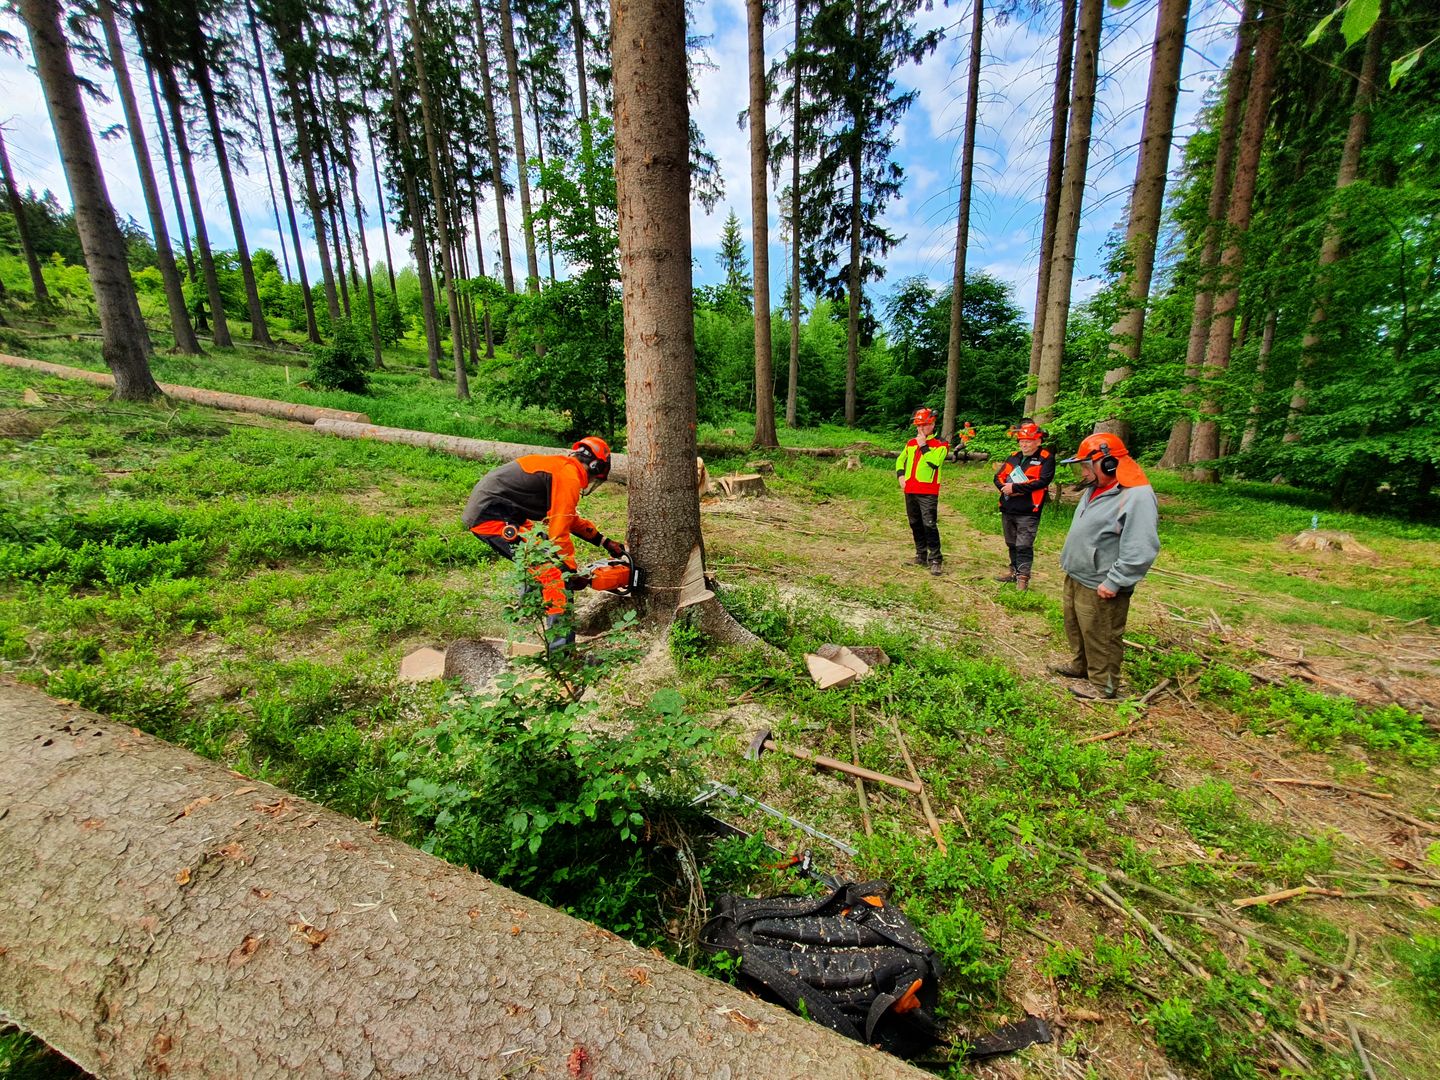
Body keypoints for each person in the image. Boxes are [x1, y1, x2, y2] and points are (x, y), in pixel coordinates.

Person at [461, 437, 627, 627]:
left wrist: (603, 541)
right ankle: (561, 651)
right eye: (594, 479)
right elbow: (559, 531)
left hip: (505, 512)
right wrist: (569, 573)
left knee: (539, 548)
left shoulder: (563, 469)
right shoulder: (569, 476)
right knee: (555, 575)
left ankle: (530, 612)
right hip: (490, 516)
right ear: (594, 467)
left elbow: (568, 517)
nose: (590, 483)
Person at [1055, 433, 1160, 699]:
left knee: (1102, 634)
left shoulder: (1136, 496)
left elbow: (1141, 546)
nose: (1082, 472)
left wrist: (1116, 580)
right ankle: (1081, 666)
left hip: (1102, 581)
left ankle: (1104, 685)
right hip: (1079, 573)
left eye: (1086, 466)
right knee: (1077, 626)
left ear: (1108, 464)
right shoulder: (1095, 488)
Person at [992, 421, 1055, 591]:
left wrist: (1016, 488)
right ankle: (1013, 571)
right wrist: (1005, 488)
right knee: (1011, 542)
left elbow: (1042, 481)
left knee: (1024, 545)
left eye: (1028, 441)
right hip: (1008, 507)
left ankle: (1023, 578)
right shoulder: (1014, 456)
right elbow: (998, 477)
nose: (1024, 444)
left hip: (1029, 510)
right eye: (1021, 441)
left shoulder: (1046, 458)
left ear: (1038, 441)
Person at [896, 407, 949, 575]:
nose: (920, 429)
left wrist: (924, 446)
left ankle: (936, 559)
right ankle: (920, 555)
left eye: (924, 425)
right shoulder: (911, 443)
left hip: (928, 491)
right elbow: (900, 460)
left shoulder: (941, 444)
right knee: (915, 523)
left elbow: (935, 463)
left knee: (929, 524)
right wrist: (901, 476)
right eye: (918, 426)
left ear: (932, 424)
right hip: (910, 489)